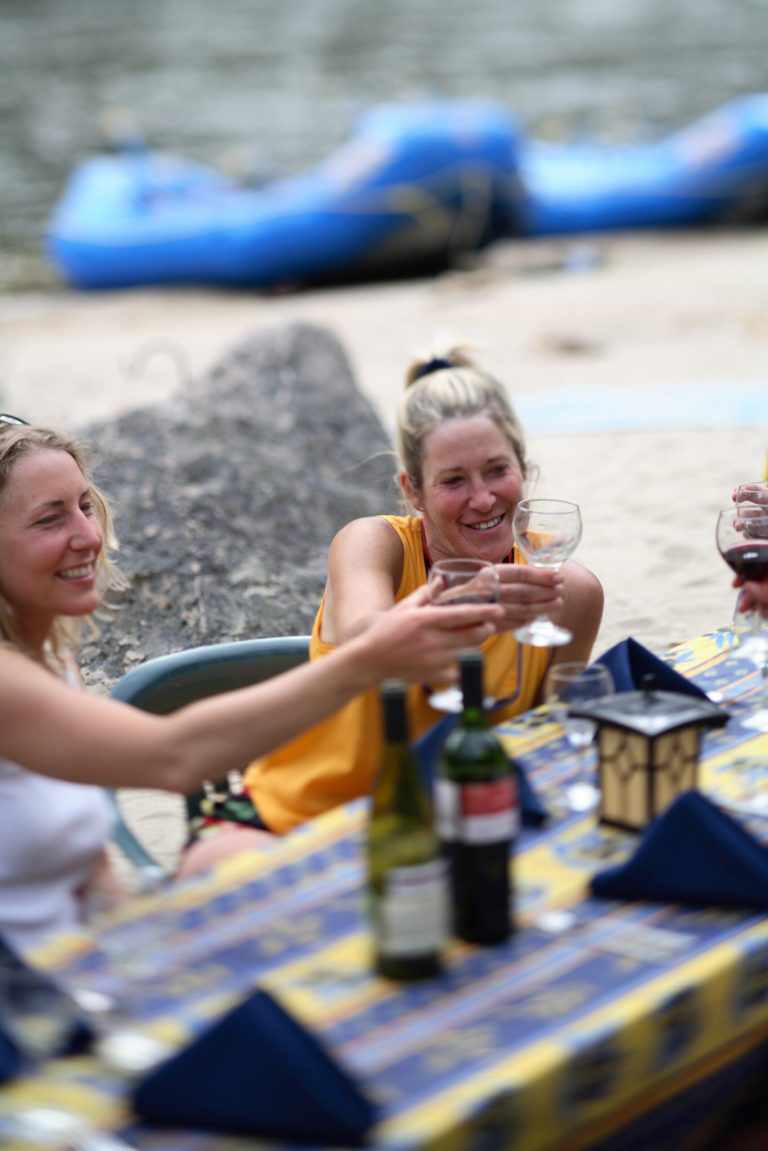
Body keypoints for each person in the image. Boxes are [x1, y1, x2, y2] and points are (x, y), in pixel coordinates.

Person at [0, 417, 503, 953]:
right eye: (50, 521)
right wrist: (367, 660)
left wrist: (134, 950)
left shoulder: (51, 657)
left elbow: (90, 864)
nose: (90, 535)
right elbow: (174, 757)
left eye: (84, 505)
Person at [243, 343, 604, 834]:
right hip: (302, 817)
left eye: (498, 470)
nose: (482, 498)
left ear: (523, 467)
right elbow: (364, 637)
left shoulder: (570, 594)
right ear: (412, 490)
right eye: (453, 480)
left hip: (452, 826)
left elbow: (549, 741)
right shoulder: (373, 544)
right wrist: (468, 607)